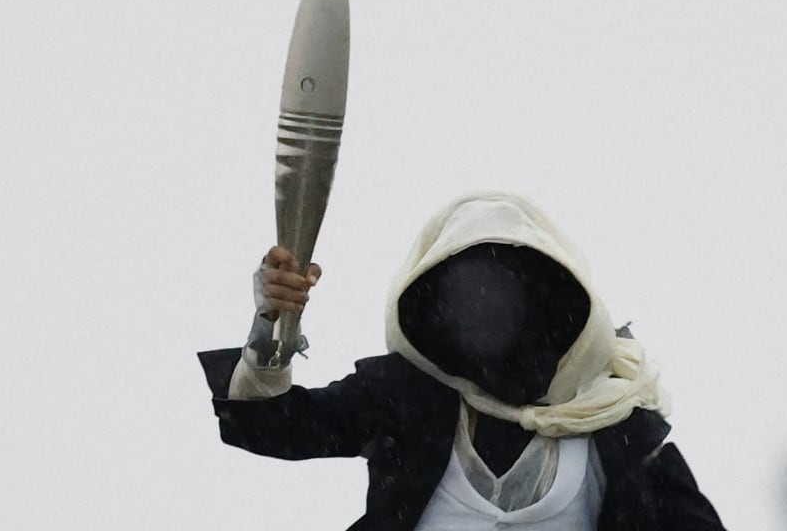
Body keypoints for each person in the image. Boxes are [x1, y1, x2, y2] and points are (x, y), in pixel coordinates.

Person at [198, 192, 726, 530]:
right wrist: (272, 323)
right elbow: (264, 423)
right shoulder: (405, 401)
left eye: (508, 297)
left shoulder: (616, 425)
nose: (491, 320)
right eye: (469, 299)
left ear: (554, 303)